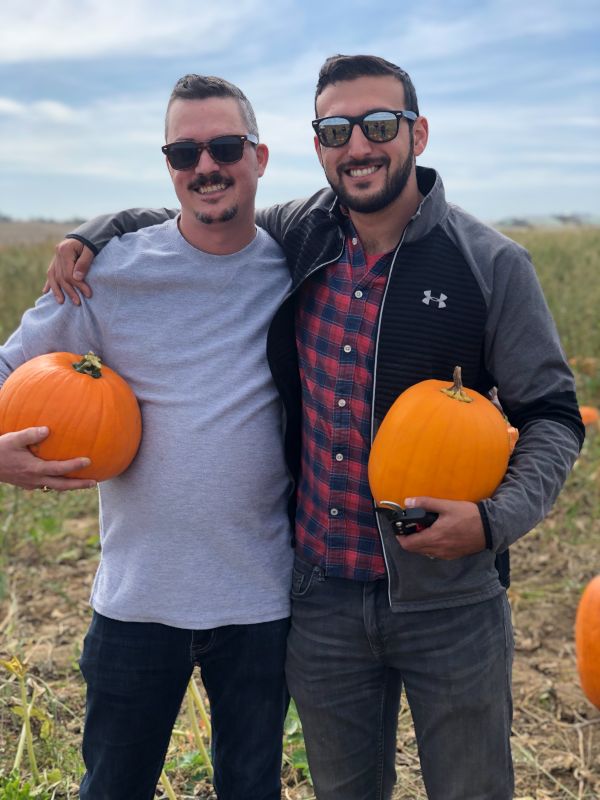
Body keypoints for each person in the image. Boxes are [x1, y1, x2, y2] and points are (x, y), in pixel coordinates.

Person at [44, 55, 585, 800]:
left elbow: (552, 414)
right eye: (336, 129)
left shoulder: (491, 264)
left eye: (379, 125)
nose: (358, 145)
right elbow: (204, 212)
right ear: (318, 144)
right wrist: (99, 230)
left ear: (417, 133)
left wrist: (494, 522)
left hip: (448, 599)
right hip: (321, 597)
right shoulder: (300, 236)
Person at [0, 74, 298, 800]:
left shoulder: (301, 267)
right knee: (113, 786)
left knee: (252, 788)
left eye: (225, 146)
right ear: (168, 165)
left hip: (262, 600)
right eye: (183, 151)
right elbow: (11, 368)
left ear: (259, 157)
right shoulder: (110, 273)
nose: (205, 166)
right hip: (137, 599)